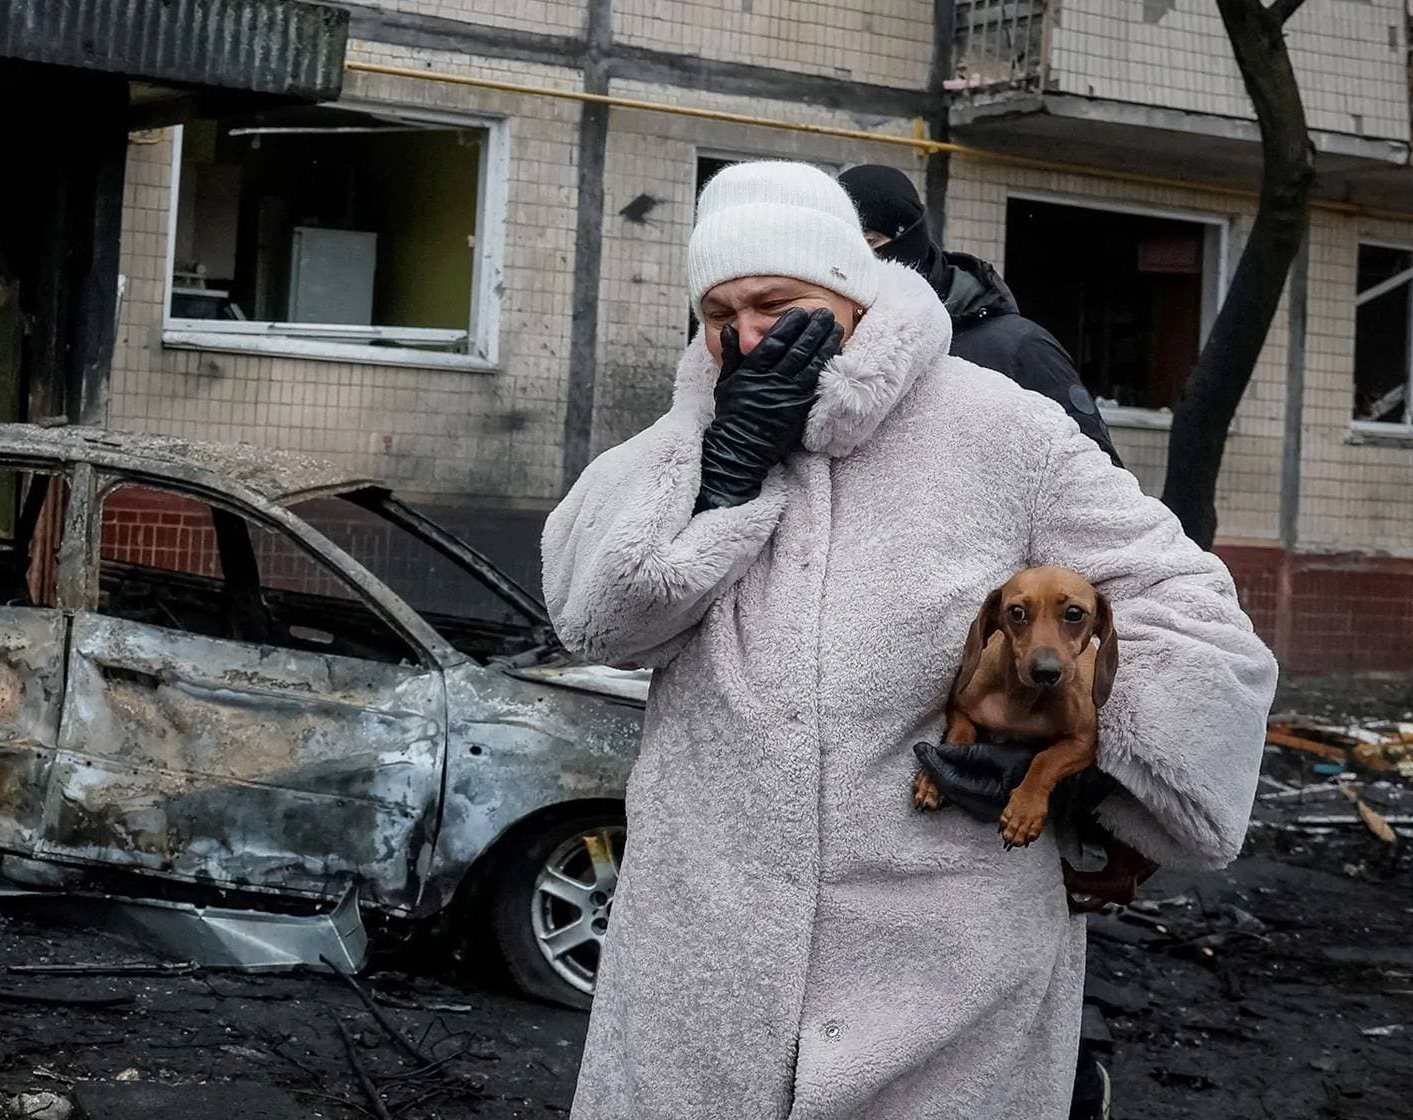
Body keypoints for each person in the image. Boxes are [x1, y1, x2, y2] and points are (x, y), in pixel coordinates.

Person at [543, 162, 1275, 1119]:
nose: (748, 336)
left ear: (850, 291)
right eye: (720, 313)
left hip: (945, 972)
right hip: (705, 964)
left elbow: (1193, 612)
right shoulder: (685, 440)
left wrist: (1083, 767)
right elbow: (597, 623)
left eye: (777, 304)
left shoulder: (1005, 432)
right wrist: (723, 478)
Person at [839, 163, 1130, 1118]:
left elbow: (1106, 534)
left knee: (1017, 975)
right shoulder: (831, 351)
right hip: (902, 741)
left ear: (904, 242)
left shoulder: (1013, 352)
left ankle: (1071, 1086)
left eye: (870, 250)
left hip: (1026, 699)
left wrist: (1104, 787)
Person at [837, 164, 1121, 467]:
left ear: (910, 238)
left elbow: (1097, 475)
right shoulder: (839, 344)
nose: (856, 262)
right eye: (840, 248)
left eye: (869, 243)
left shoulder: (1019, 349)